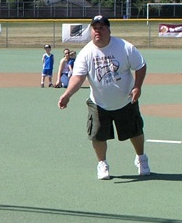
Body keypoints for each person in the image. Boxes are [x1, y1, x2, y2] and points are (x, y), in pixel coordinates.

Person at [58, 15, 149, 180]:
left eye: (101, 28)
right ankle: (102, 164)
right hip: (99, 103)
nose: (97, 31)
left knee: (135, 131)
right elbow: (78, 77)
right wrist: (67, 94)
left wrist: (137, 86)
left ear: (108, 30)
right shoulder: (86, 53)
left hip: (126, 101)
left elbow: (141, 65)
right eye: (95, 28)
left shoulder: (124, 47)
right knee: (97, 135)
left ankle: (141, 158)